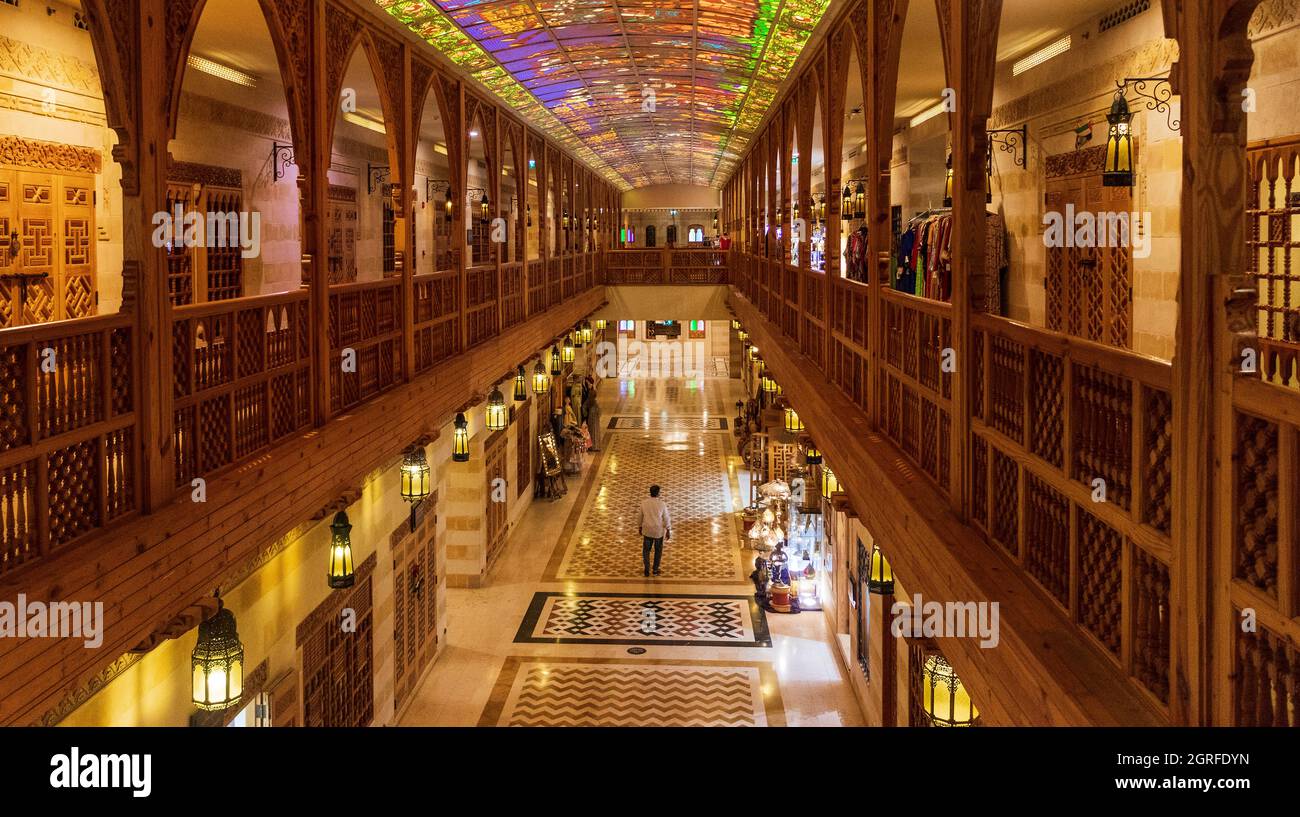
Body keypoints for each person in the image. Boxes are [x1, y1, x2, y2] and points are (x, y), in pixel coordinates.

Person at [638, 484, 671, 577]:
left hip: (647, 530)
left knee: (646, 550)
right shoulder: (662, 504)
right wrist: (668, 529)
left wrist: (640, 527)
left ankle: (646, 569)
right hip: (658, 532)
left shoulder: (644, 503)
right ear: (658, 493)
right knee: (658, 550)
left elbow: (640, 516)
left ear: (650, 492)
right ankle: (655, 570)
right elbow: (666, 518)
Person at [582, 377, 602, 451]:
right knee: (594, 429)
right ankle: (595, 446)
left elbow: (587, 403)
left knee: (592, 430)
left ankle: (593, 446)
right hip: (594, 414)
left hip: (592, 414)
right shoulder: (591, 394)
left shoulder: (591, 395)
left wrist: (585, 412)